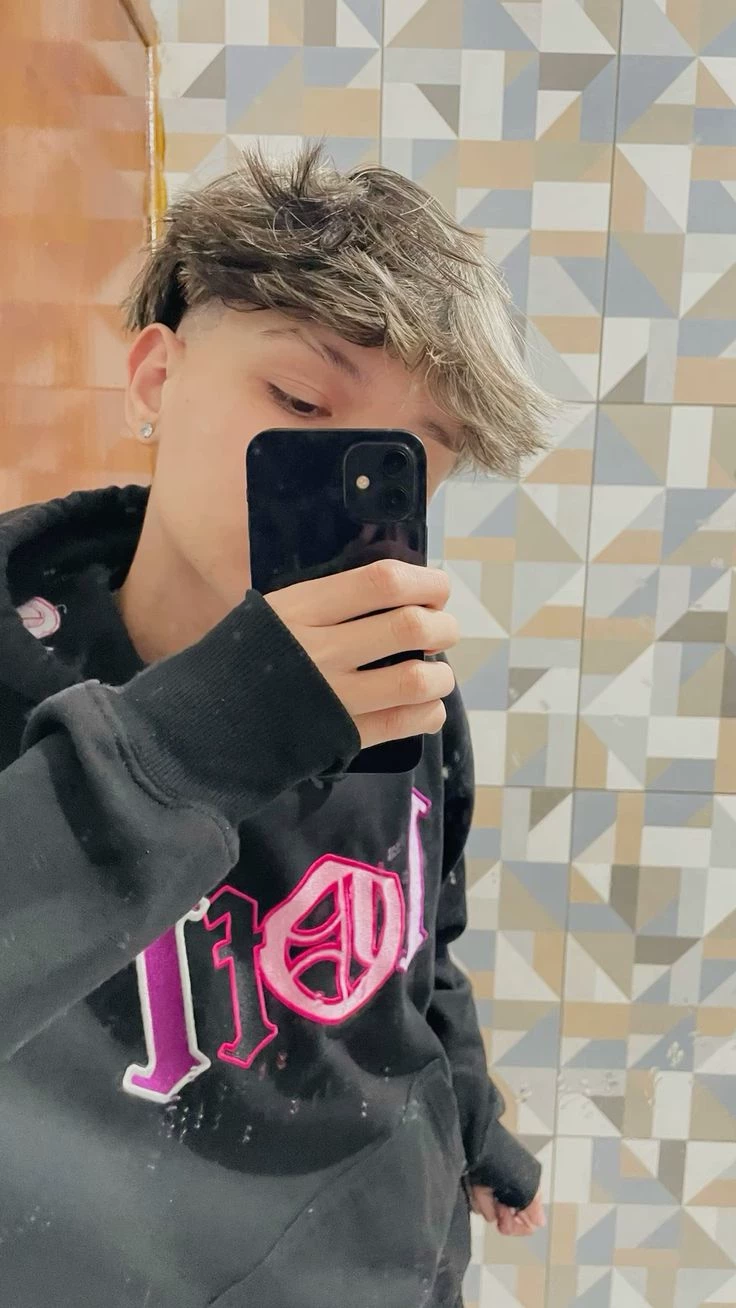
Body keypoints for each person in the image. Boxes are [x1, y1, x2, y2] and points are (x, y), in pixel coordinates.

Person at [0, 146, 550, 1308]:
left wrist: (465, 1113)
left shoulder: (403, 689)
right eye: (299, 403)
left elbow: (420, 944)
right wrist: (204, 739)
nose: (339, 477)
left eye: (414, 453)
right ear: (156, 378)